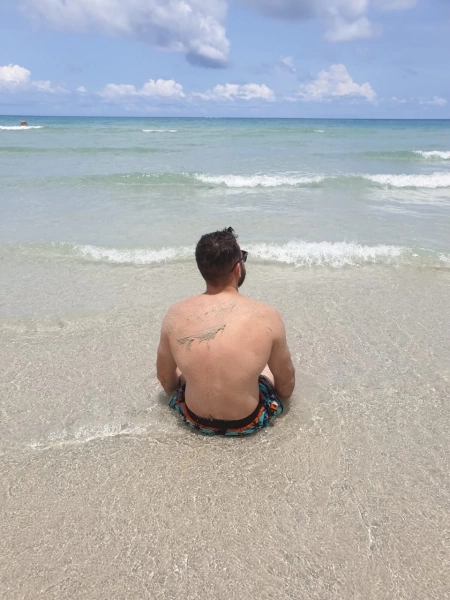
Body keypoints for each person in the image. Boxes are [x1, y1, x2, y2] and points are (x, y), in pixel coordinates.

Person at [157, 227, 295, 436]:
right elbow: (286, 386)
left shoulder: (175, 314)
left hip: (194, 419)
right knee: (266, 368)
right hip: (248, 423)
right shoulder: (267, 315)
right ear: (237, 268)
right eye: (243, 257)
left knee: (187, 369)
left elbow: (166, 380)